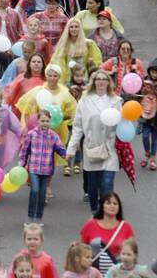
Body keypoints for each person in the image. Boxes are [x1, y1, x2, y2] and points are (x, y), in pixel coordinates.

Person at [66, 70, 122, 212]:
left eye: (104, 79)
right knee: (92, 187)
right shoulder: (85, 101)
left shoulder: (116, 101)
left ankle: (104, 217)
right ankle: (94, 211)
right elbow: (77, 127)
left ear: (109, 82)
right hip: (91, 148)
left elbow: (122, 124)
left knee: (107, 186)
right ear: (94, 82)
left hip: (110, 148)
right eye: (98, 79)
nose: (101, 81)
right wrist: (71, 149)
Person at [19, 108, 66, 223]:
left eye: (47, 121)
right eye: (42, 121)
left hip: (47, 170)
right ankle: (31, 217)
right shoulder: (31, 135)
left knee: (42, 194)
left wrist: (66, 155)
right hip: (34, 168)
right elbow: (25, 151)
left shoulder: (53, 136)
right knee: (34, 191)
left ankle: (38, 217)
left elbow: (60, 148)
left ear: (50, 122)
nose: (45, 123)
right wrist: (22, 164)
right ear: (37, 122)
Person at [80, 193, 134, 276]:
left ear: (119, 207)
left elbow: (132, 252)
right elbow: (81, 249)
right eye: (108, 203)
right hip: (93, 274)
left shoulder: (125, 227)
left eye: (115, 204)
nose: (112, 206)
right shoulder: (90, 224)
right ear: (102, 206)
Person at [52, 18, 102, 83]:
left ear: (80, 28)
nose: (74, 29)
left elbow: (97, 61)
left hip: (84, 80)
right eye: (71, 27)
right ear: (68, 29)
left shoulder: (89, 44)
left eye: (76, 27)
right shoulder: (63, 45)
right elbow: (57, 61)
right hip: (67, 80)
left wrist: (91, 63)